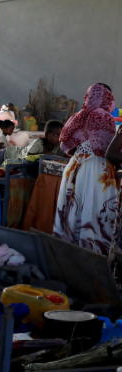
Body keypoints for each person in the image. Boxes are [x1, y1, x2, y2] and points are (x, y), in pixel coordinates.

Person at [54, 83, 119, 256]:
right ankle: (92, 255)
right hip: (96, 169)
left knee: (73, 211)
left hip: (75, 166)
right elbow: (107, 150)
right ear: (106, 97)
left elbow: (64, 144)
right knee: (93, 212)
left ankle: (69, 256)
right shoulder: (104, 117)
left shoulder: (78, 115)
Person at [0, 120, 64, 168]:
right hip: (8, 154)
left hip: (13, 161)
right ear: (48, 135)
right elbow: (29, 157)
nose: (59, 138)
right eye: (56, 135)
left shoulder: (57, 147)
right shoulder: (39, 143)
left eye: (61, 135)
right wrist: (45, 155)